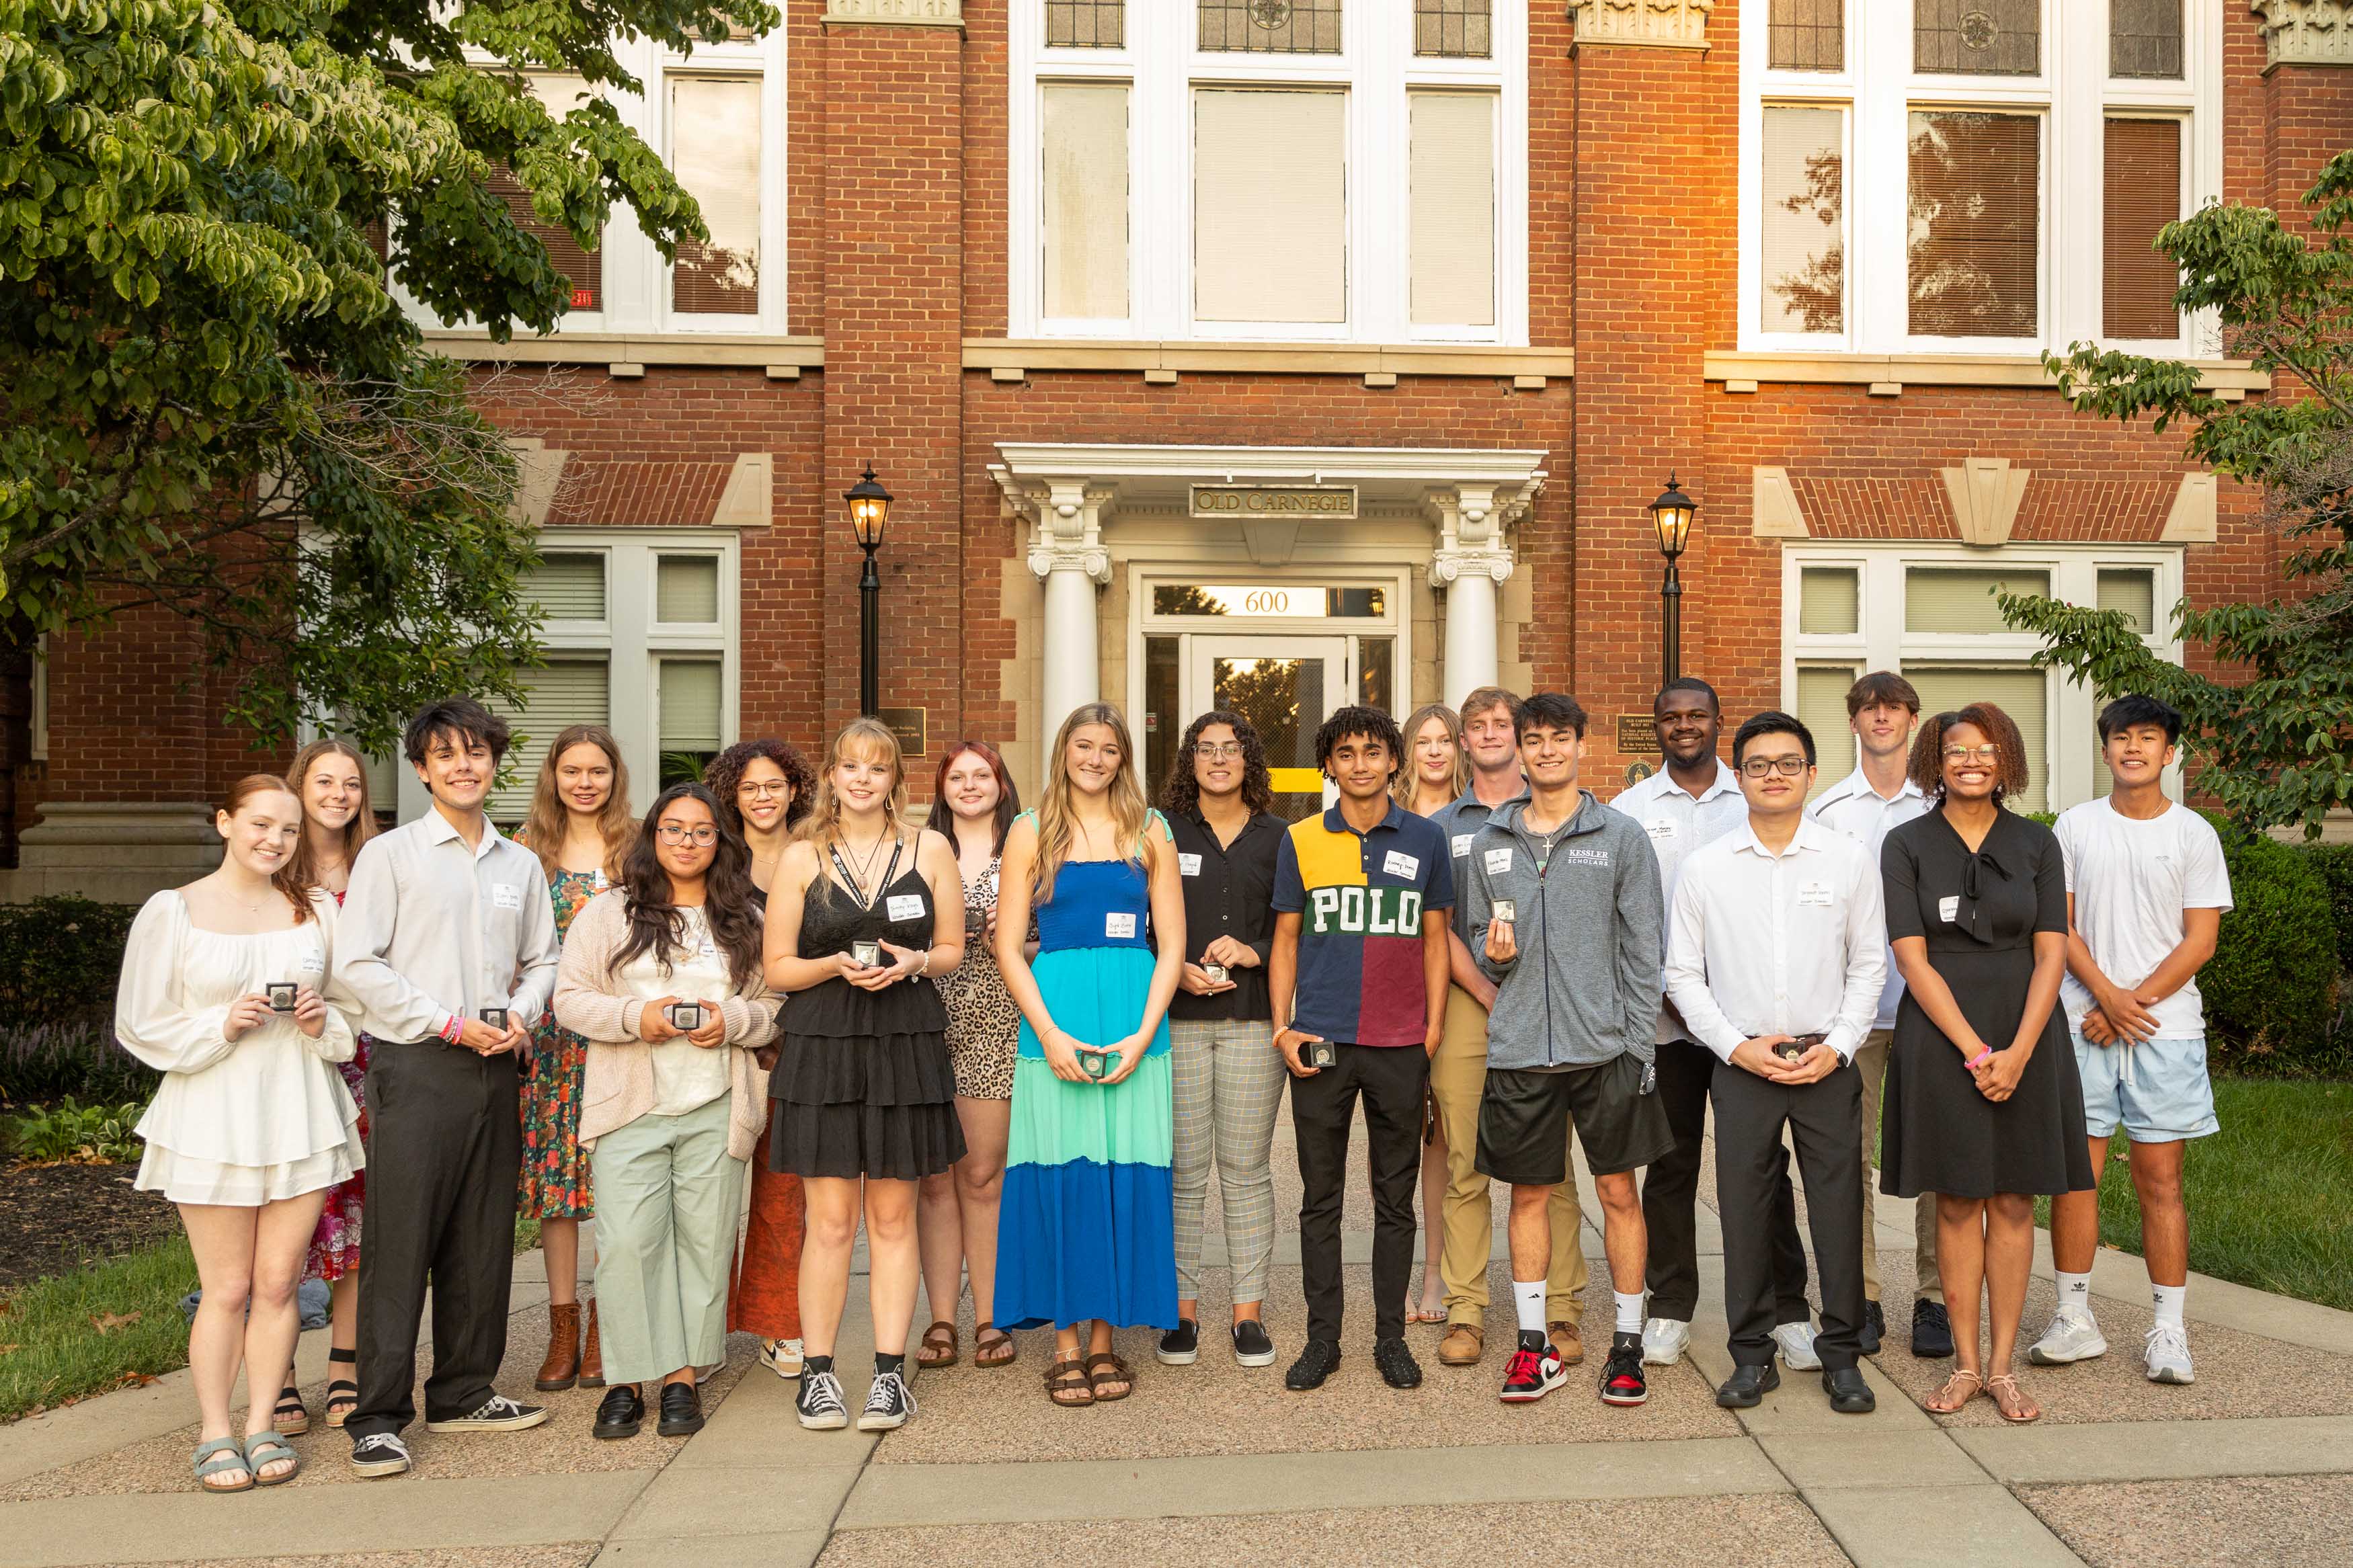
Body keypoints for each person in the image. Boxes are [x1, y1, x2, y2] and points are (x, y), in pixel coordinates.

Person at [117, 775, 366, 1492]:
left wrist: (323, 1022)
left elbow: (353, 1014)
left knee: (280, 1280)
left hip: (299, 1109)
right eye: (258, 824)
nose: (274, 839)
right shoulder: (175, 910)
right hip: (211, 1113)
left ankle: (261, 1421)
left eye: (287, 830)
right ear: (225, 822)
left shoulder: (316, 909)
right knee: (226, 1286)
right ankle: (214, 1430)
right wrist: (219, 1024)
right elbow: (139, 1020)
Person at [337, 698, 561, 1479]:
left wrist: (522, 1015)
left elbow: (545, 961)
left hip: (497, 1064)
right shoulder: (390, 855)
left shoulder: (520, 863)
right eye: (446, 754)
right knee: (403, 1239)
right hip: (419, 1063)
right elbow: (358, 963)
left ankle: (465, 1389)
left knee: (482, 1234)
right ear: (424, 768)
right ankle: (377, 1413)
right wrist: (446, 1023)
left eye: (477, 751)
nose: (464, 764)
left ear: (495, 760)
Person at [1665, 712, 1886, 1415]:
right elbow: (1681, 973)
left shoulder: (1846, 858)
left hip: (1827, 1055)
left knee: (1837, 1207)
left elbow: (1868, 963)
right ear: (1738, 776)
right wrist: (1734, 1046)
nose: (1772, 774)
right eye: (1757, 764)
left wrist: (1840, 1044)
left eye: (1786, 763)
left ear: (1810, 773)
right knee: (1745, 1210)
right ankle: (1750, 1353)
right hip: (1741, 1061)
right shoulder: (1706, 867)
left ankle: (1843, 1353)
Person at [1880, 703, 2094, 1424]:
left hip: (2026, 1028)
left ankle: (2001, 1368)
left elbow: (2050, 950)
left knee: (2011, 1199)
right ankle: (1963, 1364)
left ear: (2005, 758)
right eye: (1954, 749)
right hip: (1940, 1036)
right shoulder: (1904, 843)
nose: (1969, 759)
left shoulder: (2036, 842)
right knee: (1955, 1198)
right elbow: (1910, 956)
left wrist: (2020, 1050)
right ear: (1932, 762)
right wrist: (1976, 1051)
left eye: (1983, 748)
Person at [1462, 693, 1673, 1407]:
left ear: (1582, 744)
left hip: (1605, 1049)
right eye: (1533, 738)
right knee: (1527, 1194)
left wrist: (1637, 1044)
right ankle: (1533, 1348)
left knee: (1618, 1192)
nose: (1546, 749)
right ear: (1517, 750)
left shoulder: (1619, 835)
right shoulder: (1490, 841)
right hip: (1520, 1049)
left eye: (1559, 737)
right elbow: (1475, 942)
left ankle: (1625, 1344)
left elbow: (1645, 948)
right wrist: (1491, 956)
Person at [553, 784, 781, 1440]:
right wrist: (635, 1016)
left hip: (715, 1103)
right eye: (674, 828)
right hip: (631, 1106)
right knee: (627, 1244)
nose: (687, 840)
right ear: (653, 835)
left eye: (701, 830)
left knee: (703, 1246)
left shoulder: (742, 917)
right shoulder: (609, 913)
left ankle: (680, 1377)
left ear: (720, 841)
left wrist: (732, 1020)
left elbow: (774, 1008)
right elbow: (570, 998)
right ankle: (625, 1378)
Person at [764, 718, 966, 1432]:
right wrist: (832, 965)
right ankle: (816, 1375)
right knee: (829, 1220)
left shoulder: (929, 846)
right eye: (849, 766)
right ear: (830, 775)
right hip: (822, 1042)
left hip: (901, 1041)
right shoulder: (799, 856)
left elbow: (950, 947)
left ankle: (888, 1375)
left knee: (890, 1216)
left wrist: (913, 962)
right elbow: (777, 967)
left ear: (893, 781)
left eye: (875, 769)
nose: (860, 778)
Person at [2030, 695, 2231, 1385]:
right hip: (2079, 1024)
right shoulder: (2074, 826)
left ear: (2169, 752)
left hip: (2163, 1029)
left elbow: (2199, 939)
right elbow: (2058, 928)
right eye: (2121, 737)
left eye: (2148, 737)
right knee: (2073, 1175)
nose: (2133, 747)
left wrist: (2124, 1004)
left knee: (2160, 1180)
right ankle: (2071, 1317)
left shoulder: (2192, 833)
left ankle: (2168, 1331)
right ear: (2106, 749)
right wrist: (2103, 999)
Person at [1616, 677, 1813, 1373]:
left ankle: (1787, 1308)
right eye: (1669, 716)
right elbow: (1624, 918)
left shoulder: (1755, 795)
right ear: (1655, 726)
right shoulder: (1629, 809)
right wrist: (1663, 996)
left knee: (1761, 1169)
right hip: (1666, 1026)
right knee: (1667, 1170)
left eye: (1696, 714)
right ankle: (1668, 1306)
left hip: (1748, 1028)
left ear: (1717, 721)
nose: (1683, 725)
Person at [996, 703, 1185, 1407]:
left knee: (1121, 1175)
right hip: (1055, 1021)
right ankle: (1066, 1343)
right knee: (1063, 1174)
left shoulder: (1150, 829)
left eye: (1109, 748)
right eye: (1084, 744)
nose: (1095, 758)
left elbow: (1171, 943)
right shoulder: (1029, 830)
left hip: (1135, 1024)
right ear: (1063, 750)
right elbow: (1008, 945)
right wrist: (1046, 1032)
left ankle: (1106, 1340)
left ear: (1123, 758)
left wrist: (1143, 1032)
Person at [1272, 705, 1453, 1395]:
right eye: (1345, 753)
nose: (1359, 764)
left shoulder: (1426, 839)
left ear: (1393, 761)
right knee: (1319, 1197)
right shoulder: (1301, 839)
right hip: (1319, 1039)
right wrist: (1281, 1026)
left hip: (1399, 1041)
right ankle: (1323, 1339)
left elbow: (1435, 938)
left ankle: (1388, 1336)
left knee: (1394, 1197)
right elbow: (1285, 939)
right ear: (1328, 764)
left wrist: (1431, 1028)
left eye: (1372, 752)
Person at [1429, 689, 1591, 1373]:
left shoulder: (1561, 811)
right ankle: (1465, 1308)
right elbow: (1440, 924)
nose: (1492, 734)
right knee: (1464, 1162)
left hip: (1550, 1001)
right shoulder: (1440, 825)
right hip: (1476, 997)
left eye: (1504, 724)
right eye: (1478, 726)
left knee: (1547, 1167)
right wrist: (1488, 992)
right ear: (1463, 740)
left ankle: (1561, 1304)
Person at [1808, 671, 1944, 1358]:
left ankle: (1934, 1298)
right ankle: (1857, 1296)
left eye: (1892, 707)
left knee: (1931, 1157)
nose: (1880, 717)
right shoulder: (1828, 810)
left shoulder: (1943, 804)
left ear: (1912, 720)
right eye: (1868, 707)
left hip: (1931, 1009)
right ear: (1853, 722)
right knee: (1847, 1157)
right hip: (1852, 1014)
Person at [1158, 711, 1287, 1370]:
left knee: (1243, 1172)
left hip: (1251, 1022)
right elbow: (1145, 923)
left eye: (1230, 748)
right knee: (1182, 1174)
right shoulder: (1160, 830)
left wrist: (1254, 950)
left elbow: (1298, 930)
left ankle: (1246, 1312)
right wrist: (1170, 961)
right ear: (1190, 760)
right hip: (1176, 1022)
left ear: (1248, 759)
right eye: (1204, 749)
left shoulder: (1279, 836)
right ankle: (1180, 1311)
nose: (1217, 759)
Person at [514, 724, 637, 1395]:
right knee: (559, 1190)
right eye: (571, 771)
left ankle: (608, 1320)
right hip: (555, 1044)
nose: (584, 782)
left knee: (617, 1184)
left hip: (623, 1037)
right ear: (553, 776)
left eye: (597, 770)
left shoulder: (638, 846)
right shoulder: (525, 850)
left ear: (615, 776)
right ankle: (563, 1325)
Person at [707, 737, 817, 1380]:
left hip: (804, 1041)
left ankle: (780, 1324)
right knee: (713, 1194)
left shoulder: (816, 856)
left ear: (794, 789)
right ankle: (707, 1324)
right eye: (750, 787)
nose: (763, 796)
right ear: (734, 795)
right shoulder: (717, 861)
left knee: (787, 1190)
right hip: (727, 1044)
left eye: (774, 784)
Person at [915, 740, 1025, 1372]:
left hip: (996, 1020)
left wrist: (1012, 940)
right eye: (957, 776)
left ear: (1001, 784)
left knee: (982, 1176)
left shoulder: (1029, 850)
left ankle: (989, 1315)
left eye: (982, 774)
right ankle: (940, 1318)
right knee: (934, 1179)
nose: (970, 784)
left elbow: (1053, 938)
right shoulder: (918, 850)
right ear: (942, 786)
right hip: (923, 1023)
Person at [285, 738, 378, 1435]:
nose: (339, 793)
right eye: (325, 780)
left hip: (365, 1058)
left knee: (356, 1212)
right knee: (288, 1213)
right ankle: (279, 1369)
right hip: (286, 1061)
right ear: (300, 786)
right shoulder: (272, 868)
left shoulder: (377, 866)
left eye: (350, 782)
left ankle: (343, 1362)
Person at [1395, 702, 1466, 1327]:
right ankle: (1399, 1260)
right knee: (1397, 1139)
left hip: (1455, 992)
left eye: (1446, 740)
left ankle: (1437, 1272)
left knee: (1443, 1137)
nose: (1436, 751)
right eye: (1425, 741)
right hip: (1390, 994)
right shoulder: (1388, 820)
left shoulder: (1477, 819)